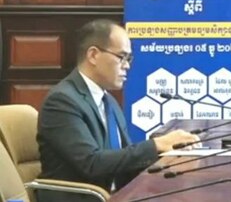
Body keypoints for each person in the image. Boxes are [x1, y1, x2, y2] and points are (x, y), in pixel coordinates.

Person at [37, 19, 199, 201]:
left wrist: (168, 159)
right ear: (93, 55)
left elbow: (123, 163)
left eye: (129, 59)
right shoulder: (62, 101)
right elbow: (91, 164)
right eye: (121, 57)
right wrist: (156, 145)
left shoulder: (108, 101)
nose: (127, 66)